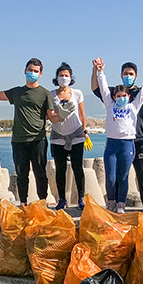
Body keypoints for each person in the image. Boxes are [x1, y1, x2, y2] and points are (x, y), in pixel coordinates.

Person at [92, 61, 143, 210]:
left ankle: (132, 204)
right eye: (118, 96)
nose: (121, 98)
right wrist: (99, 72)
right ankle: (112, 202)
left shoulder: (134, 105)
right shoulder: (110, 103)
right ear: (114, 97)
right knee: (111, 177)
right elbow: (102, 88)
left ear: (129, 96)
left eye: (131, 74)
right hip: (112, 144)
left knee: (131, 176)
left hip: (133, 143)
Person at [0, 57, 54, 206]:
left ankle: (42, 202)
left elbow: (52, 116)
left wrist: (62, 115)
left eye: (35, 71)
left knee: (40, 173)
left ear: (40, 74)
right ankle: (23, 203)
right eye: (30, 70)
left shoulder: (45, 93)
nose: (32, 73)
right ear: (25, 71)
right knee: (22, 174)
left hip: (38, 140)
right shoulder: (17, 92)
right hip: (19, 140)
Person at [49, 62, 87, 210]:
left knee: (78, 168)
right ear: (56, 77)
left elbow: (82, 114)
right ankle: (62, 199)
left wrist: (84, 131)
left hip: (76, 134)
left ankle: (81, 198)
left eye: (66, 75)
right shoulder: (51, 95)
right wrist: (59, 115)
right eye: (61, 75)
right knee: (60, 169)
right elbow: (49, 115)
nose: (64, 78)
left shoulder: (77, 93)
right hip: (58, 136)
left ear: (71, 78)